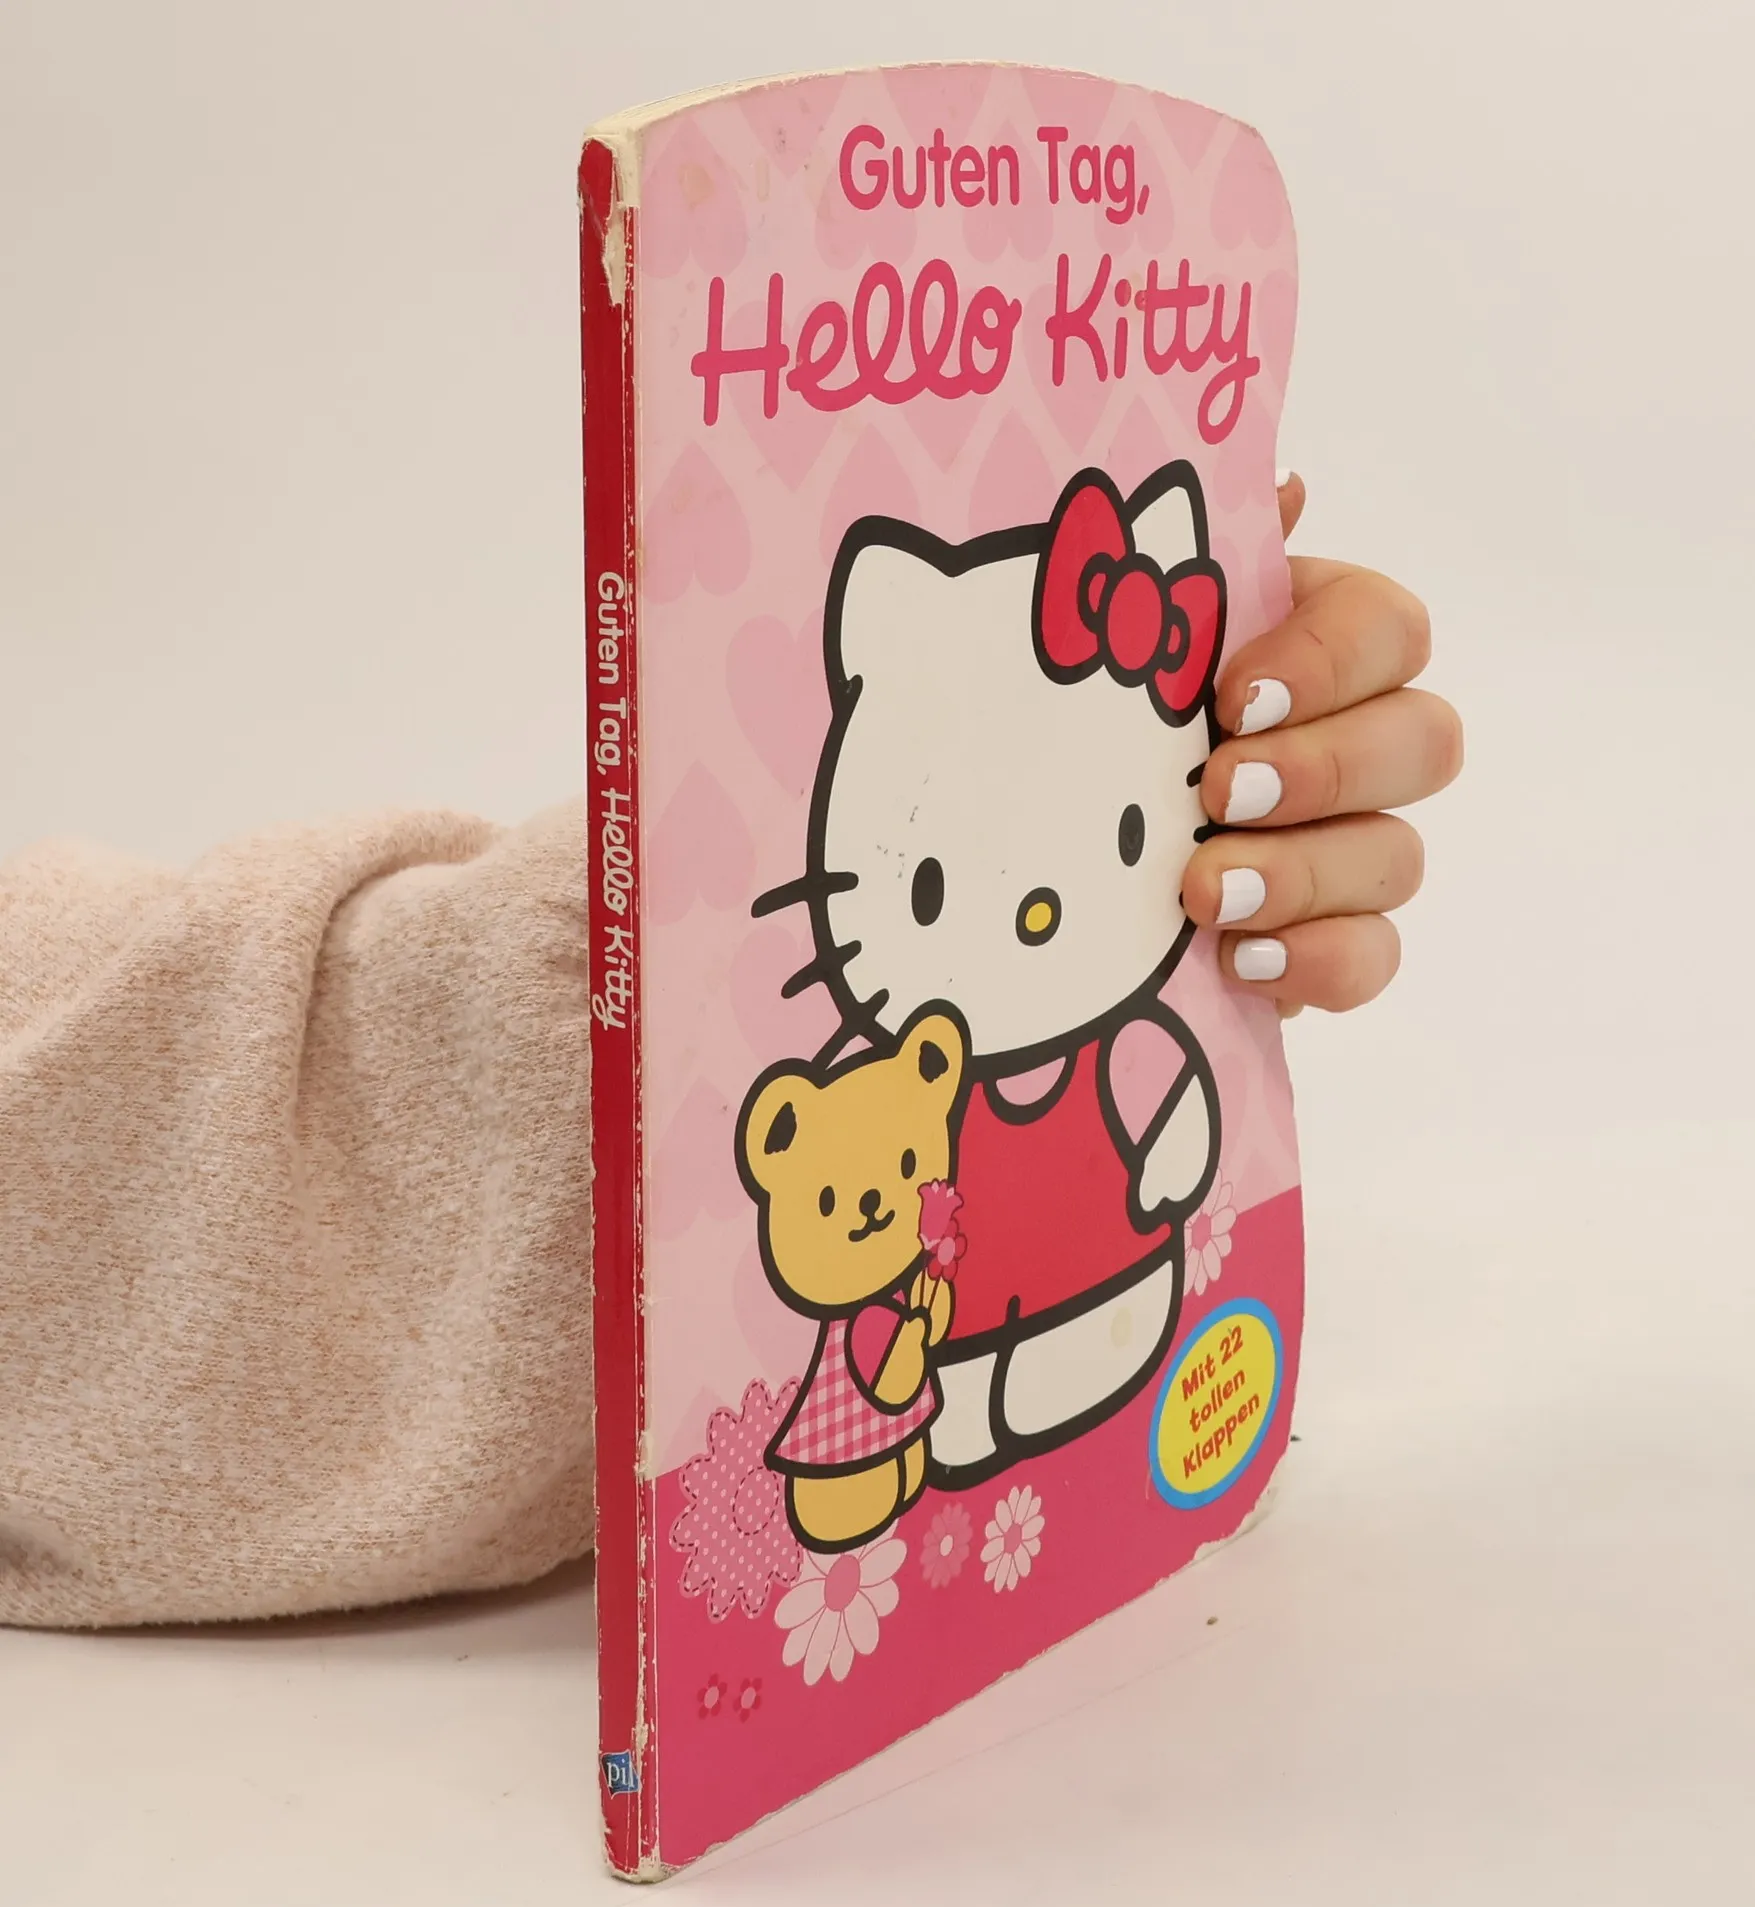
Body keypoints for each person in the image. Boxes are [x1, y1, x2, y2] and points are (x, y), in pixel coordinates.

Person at [0, 476, 1462, 1628]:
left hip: (1099, 1295)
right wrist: (654, 1009)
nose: (1022, 915)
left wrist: (1137, 894)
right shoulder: (887, 1088)